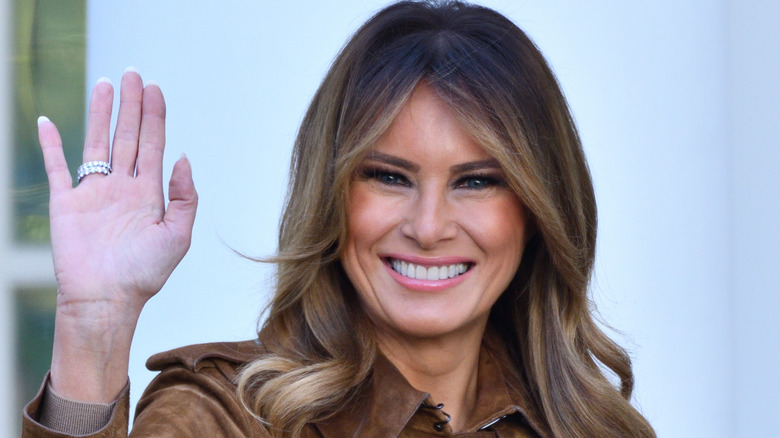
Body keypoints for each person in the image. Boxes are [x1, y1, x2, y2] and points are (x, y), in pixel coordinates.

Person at [22, 1, 656, 436]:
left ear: (537, 210)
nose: (429, 226)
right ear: (332, 196)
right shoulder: (228, 415)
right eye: (388, 176)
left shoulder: (589, 426)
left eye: (477, 182)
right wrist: (93, 328)